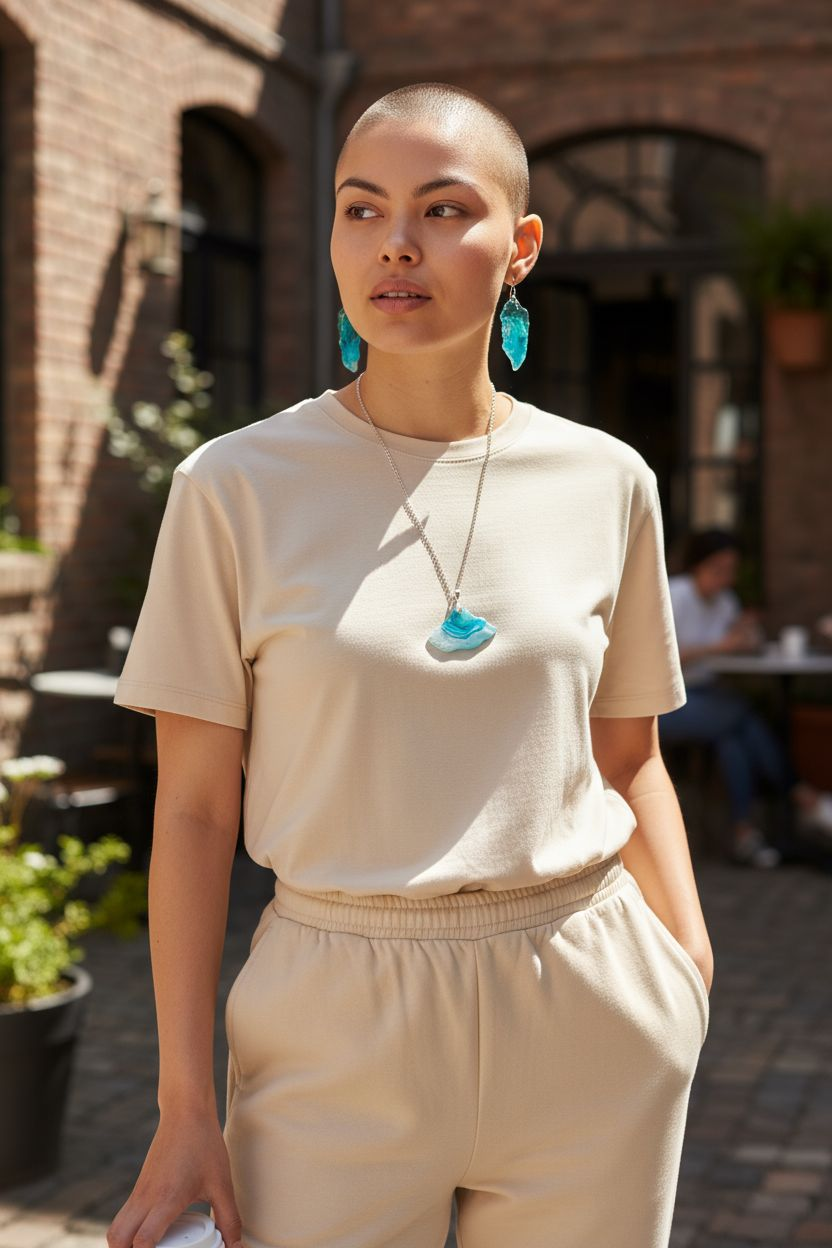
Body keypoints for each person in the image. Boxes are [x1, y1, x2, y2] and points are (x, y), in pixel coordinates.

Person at [107, 82, 714, 1248]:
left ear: (520, 246)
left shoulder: (608, 482)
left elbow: (627, 756)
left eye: (443, 210)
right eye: (360, 209)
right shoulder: (233, 488)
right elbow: (190, 812)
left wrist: (681, 972)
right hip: (334, 1015)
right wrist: (186, 1104)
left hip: (587, 1004)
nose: (395, 243)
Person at [659, 527, 832, 868]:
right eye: (718, 569)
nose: (726, 578)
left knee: (733, 737)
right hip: (668, 701)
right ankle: (800, 793)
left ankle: (744, 834)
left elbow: (735, 648)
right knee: (741, 712)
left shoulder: (726, 601)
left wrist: (745, 636)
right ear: (698, 565)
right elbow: (655, 656)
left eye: (731, 570)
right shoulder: (674, 595)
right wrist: (719, 647)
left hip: (708, 699)